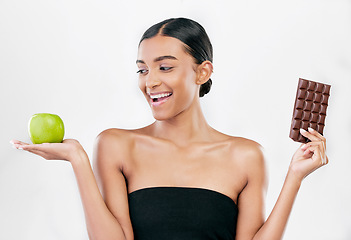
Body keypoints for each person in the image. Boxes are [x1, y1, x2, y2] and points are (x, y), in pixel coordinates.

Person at [11, 17, 328, 240]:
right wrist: (78, 160)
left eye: (165, 67)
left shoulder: (245, 156)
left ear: (202, 72)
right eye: (143, 69)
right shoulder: (116, 145)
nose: (150, 81)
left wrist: (295, 178)